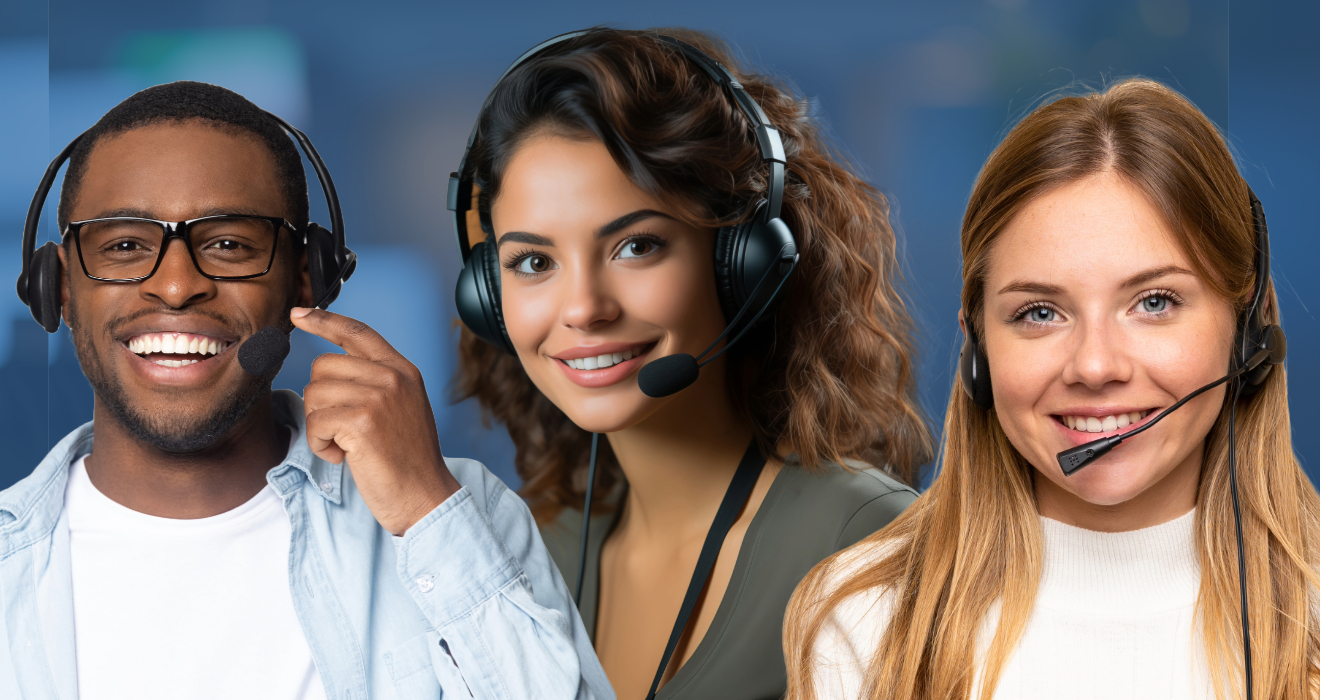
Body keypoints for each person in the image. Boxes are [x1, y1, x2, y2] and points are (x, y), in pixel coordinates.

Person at [0, 81, 610, 700]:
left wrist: (427, 512)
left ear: (307, 278)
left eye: (229, 245)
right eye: (126, 246)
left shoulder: (458, 511)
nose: (177, 286)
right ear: (58, 288)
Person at [783, 78, 1314, 700]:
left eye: (1154, 302)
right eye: (1039, 312)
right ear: (978, 344)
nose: (1094, 366)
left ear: (1248, 328)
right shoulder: (864, 621)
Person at [450, 28, 932, 700]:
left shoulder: (858, 542)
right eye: (534, 263)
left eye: (637, 246)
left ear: (742, 261)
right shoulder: (539, 545)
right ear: (488, 296)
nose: (584, 308)